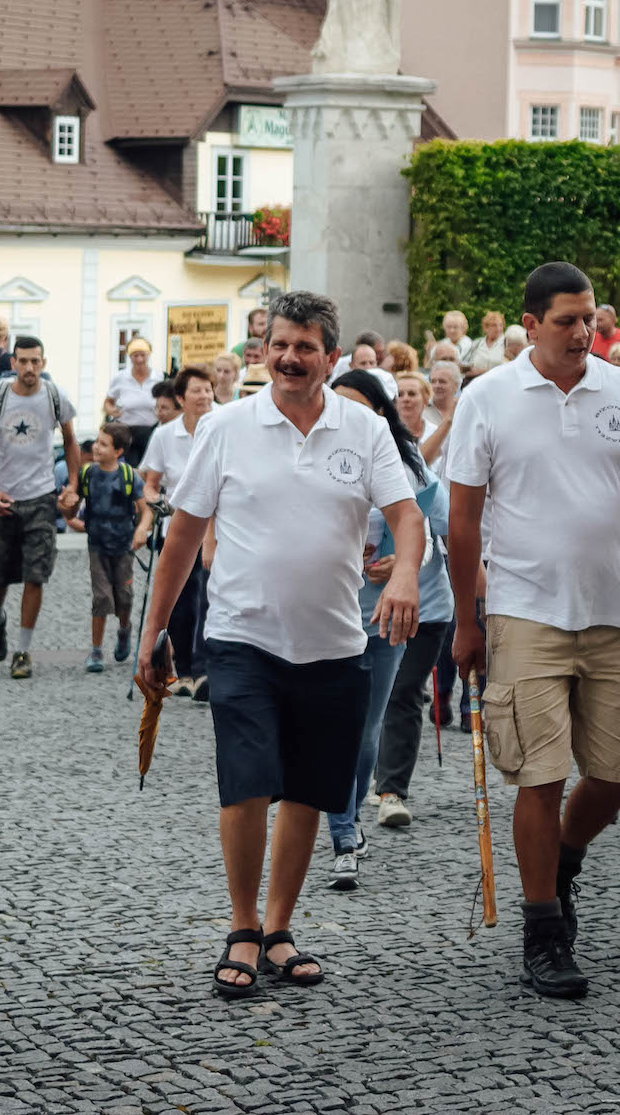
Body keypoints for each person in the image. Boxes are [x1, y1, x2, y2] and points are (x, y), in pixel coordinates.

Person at [137, 291, 424, 998]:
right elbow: (182, 536)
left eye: (306, 347)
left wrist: (407, 574)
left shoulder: (363, 430)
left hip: (334, 643)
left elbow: (408, 515)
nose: (291, 358)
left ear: (330, 357)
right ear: (263, 351)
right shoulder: (228, 427)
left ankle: (279, 927)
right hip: (243, 639)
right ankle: (241, 926)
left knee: (307, 792)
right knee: (248, 784)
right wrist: (152, 633)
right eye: (280, 344)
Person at [448, 262, 620, 1000]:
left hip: (614, 609)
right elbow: (460, 518)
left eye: (589, 320)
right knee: (539, 775)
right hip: (525, 610)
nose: (584, 332)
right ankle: (544, 930)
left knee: (616, 775)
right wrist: (466, 620)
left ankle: (566, 860)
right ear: (529, 325)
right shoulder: (488, 398)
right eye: (567, 321)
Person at [321, 369, 448, 887]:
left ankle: (349, 810)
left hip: (383, 619)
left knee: (365, 730)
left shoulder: (407, 462)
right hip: (325, 615)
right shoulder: (317, 459)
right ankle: (343, 830)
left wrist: (401, 565)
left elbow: (438, 535)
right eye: (337, 405)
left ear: (380, 412)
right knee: (332, 727)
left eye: (358, 406)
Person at [0, 335, 79, 680]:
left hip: (41, 496)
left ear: (43, 363)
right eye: (23, 361)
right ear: (13, 363)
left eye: (36, 361)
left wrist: (73, 484)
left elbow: (71, 440)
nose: (30, 368)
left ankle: (23, 649)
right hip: (4, 498)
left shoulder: (53, 396)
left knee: (36, 574)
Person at [141, 366, 216, 699]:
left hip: (218, 532)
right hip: (179, 529)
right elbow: (151, 484)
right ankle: (184, 669)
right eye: (197, 391)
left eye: (208, 390)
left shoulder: (223, 425)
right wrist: (155, 504)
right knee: (181, 604)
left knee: (210, 599)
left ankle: (204, 670)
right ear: (181, 398)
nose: (204, 396)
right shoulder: (165, 435)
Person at [64, 421, 151, 673]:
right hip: (97, 546)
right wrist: (67, 504)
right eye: (97, 442)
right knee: (101, 597)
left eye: (104, 444)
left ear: (118, 452)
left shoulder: (128, 476)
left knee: (124, 598)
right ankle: (96, 650)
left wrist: (141, 530)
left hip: (124, 546)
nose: (96, 447)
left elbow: (145, 511)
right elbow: (71, 506)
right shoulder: (87, 474)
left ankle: (124, 631)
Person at [103, 338, 163, 466]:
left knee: (150, 466)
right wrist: (112, 410)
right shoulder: (120, 378)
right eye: (136, 355)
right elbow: (108, 402)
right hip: (127, 431)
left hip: (151, 430)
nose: (140, 359)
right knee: (131, 467)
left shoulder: (159, 377)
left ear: (148, 355)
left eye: (143, 355)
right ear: (130, 357)